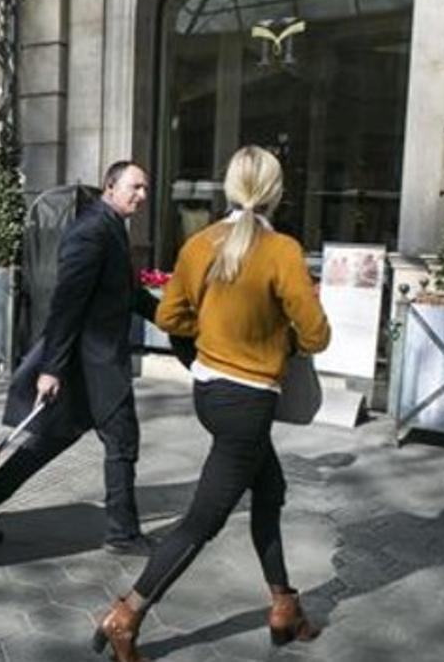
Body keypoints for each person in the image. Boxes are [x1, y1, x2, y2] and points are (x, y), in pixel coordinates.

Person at [92, 146, 331, 662]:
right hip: (249, 404)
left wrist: (217, 335)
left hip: (209, 393)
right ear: (275, 192)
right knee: (201, 522)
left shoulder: (201, 243)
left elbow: (172, 318)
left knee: (270, 491)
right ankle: (126, 615)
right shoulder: (283, 250)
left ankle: (284, 605)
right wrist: (278, 339)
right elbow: (316, 336)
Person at [0, 161, 160, 556]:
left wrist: (171, 318)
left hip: (93, 362)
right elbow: (65, 306)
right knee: (122, 440)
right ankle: (123, 533)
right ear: (109, 186)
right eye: (134, 187)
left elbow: (129, 293)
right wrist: (50, 369)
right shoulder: (91, 231)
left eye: (144, 189)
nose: (141, 195)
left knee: (56, 435)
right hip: (92, 362)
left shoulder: (112, 228)